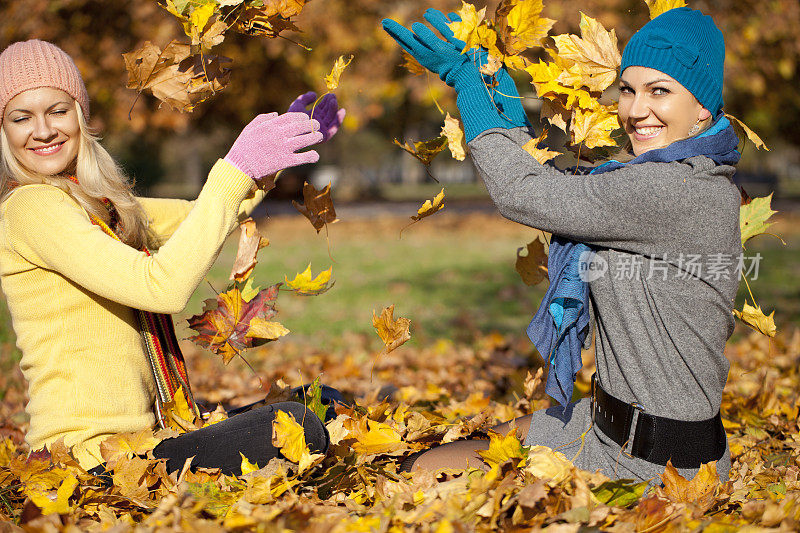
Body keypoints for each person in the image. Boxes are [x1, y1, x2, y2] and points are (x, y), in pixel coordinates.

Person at [383, 7, 741, 484]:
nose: (635, 111)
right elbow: (572, 197)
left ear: (703, 108)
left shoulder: (676, 191)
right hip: (612, 424)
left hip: (652, 466)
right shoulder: (679, 178)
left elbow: (525, 194)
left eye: (660, 91)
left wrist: (468, 85)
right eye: (628, 90)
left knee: (419, 474)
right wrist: (506, 111)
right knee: (477, 444)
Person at [0, 39, 343, 476]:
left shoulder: (96, 205)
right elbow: (160, 287)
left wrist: (267, 161)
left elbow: (202, 217)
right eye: (21, 117)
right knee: (296, 425)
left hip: (152, 440)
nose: (43, 130)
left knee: (325, 400)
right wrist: (236, 166)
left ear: (80, 115)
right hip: (92, 462)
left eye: (57, 110)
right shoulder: (32, 207)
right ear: (4, 131)